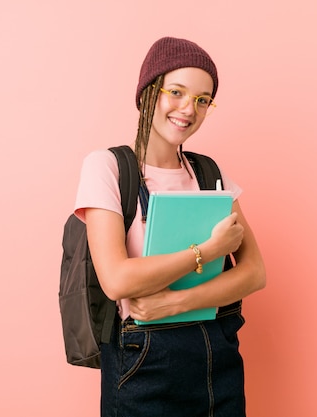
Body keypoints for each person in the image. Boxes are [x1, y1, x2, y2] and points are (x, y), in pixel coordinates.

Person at [73, 36, 266, 417]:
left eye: (202, 99)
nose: (188, 109)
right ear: (147, 94)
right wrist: (207, 251)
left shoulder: (210, 172)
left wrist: (175, 301)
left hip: (219, 357)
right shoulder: (108, 168)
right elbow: (117, 280)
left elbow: (255, 272)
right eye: (175, 92)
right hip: (144, 362)